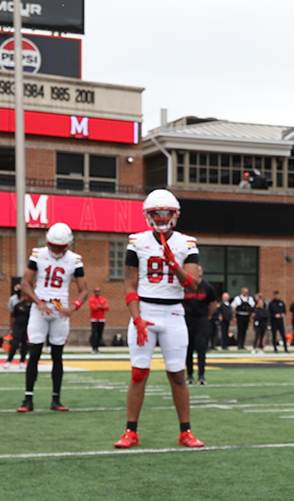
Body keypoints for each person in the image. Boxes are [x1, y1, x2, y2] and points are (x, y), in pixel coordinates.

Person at [115, 190, 204, 449]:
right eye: (157, 213)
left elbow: (192, 283)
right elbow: (130, 284)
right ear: (148, 214)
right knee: (138, 373)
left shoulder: (186, 243)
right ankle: (131, 431)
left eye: (166, 212)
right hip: (145, 312)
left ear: (175, 214)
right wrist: (137, 319)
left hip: (174, 312)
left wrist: (173, 263)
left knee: (177, 374)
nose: (162, 217)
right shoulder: (137, 241)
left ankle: (185, 432)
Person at [18, 222, 87, 413]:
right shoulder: (38, 255)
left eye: (60, 247)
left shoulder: (74, 260)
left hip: (60, 311)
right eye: (53, 246)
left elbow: (84, 291)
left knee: (57, 355)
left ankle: (56, 399)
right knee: (35, 354)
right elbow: (25, 283)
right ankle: (28, 399)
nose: (56, 250)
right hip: (40, 310)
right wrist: (38, 302)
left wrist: (73, 307)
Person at [184, 271, 221, 383]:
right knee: (188, 348)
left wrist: (206, 316)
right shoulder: (185, 287)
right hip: (187, 319)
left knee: (201, 347)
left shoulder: (207, 287)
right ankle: (189, 375)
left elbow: (213, 304)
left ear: (201, 272)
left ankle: (201, 376)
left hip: (201, 320)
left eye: (198, 270)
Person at [3, 277, 31, 370]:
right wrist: (12, 328)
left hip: (27, 327)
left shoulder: (31, 306)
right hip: (18, 327)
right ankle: (9, 361)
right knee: (15, 344)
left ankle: (22, 361)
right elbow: (13, 316)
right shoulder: (17, 305)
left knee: (24, 345)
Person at [85, 287, 107, 351]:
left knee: (100, 333)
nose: (97, 292)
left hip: (101, 318)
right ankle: (94, 347)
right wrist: (101, 307)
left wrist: (100, 306)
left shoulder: (103, 299)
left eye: (98, 291)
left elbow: (107, 307)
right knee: (94, 333)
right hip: (94, 319)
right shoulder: (92, 299)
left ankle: (97, 347)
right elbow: (93, 308)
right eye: (96, 291)